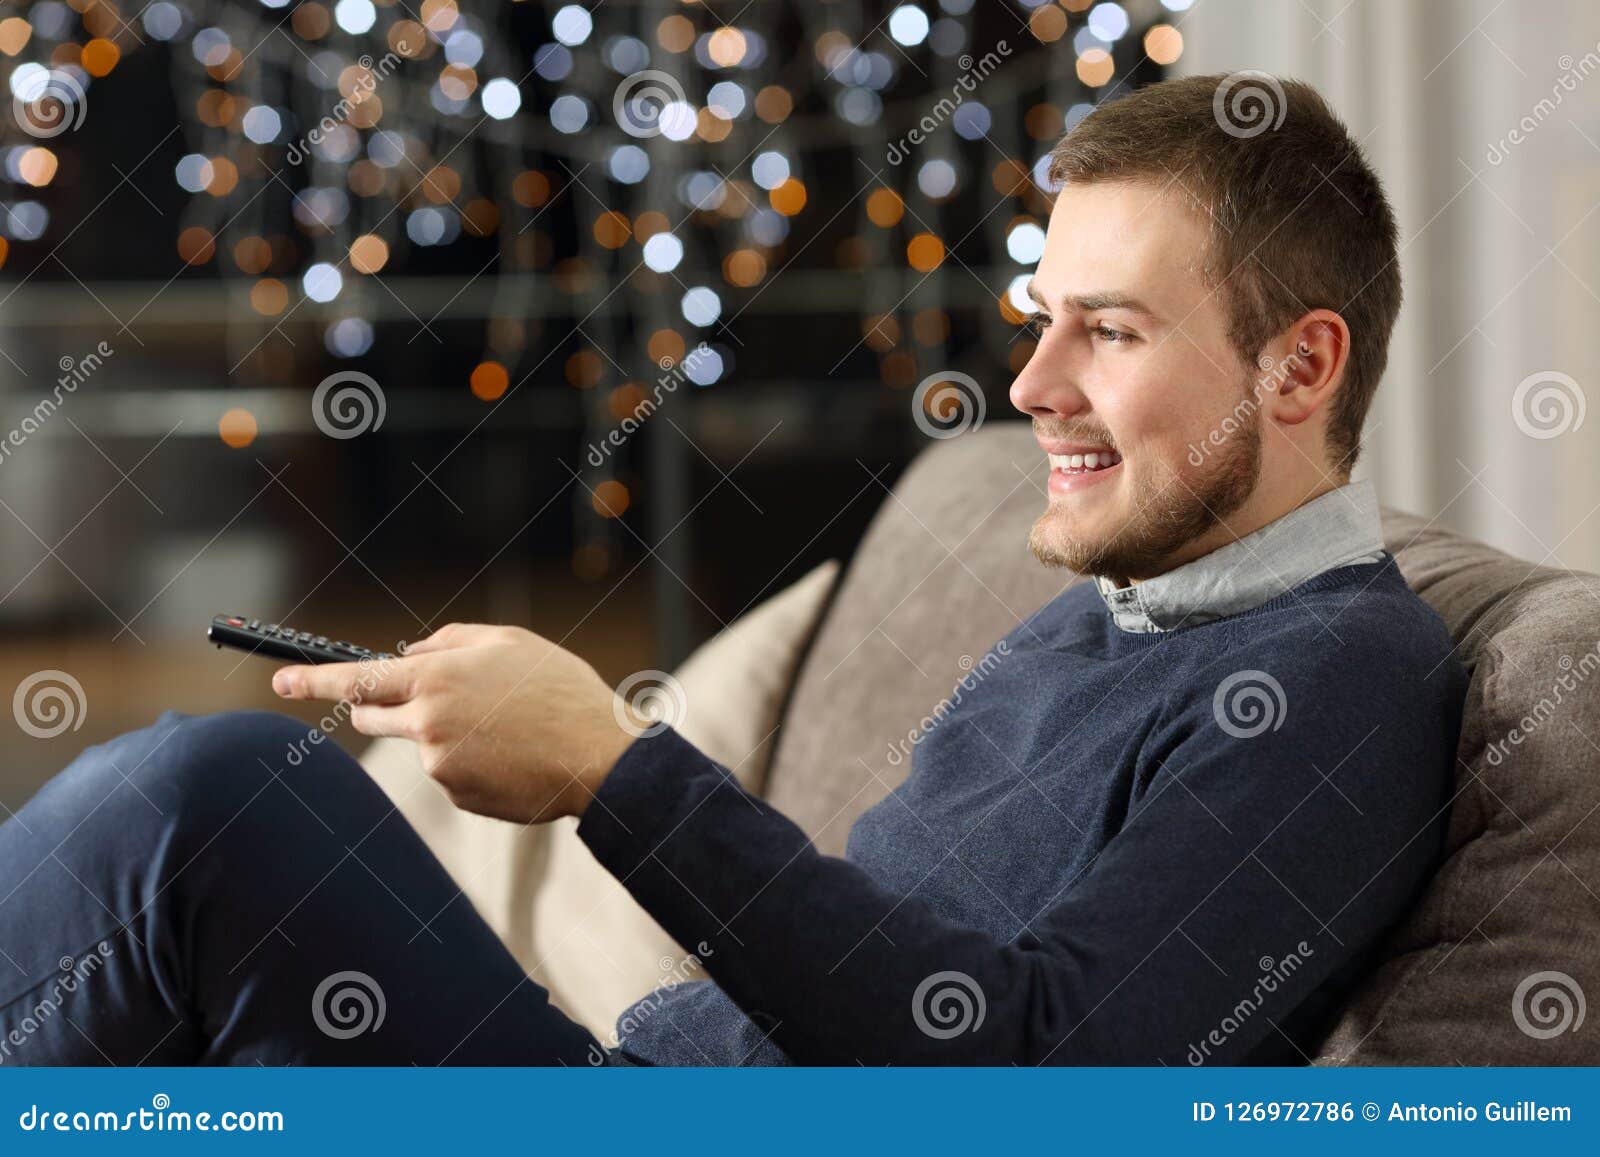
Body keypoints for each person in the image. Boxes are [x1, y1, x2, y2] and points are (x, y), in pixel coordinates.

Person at [0, 74, 1464, 1066]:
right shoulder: (1114, 608)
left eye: (1112, 331)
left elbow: (1045, 1071)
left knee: (208, 811)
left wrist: (612, 771)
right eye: (1043, 320)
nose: (1031, 385)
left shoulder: (1341, 675)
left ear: (1298, 365)